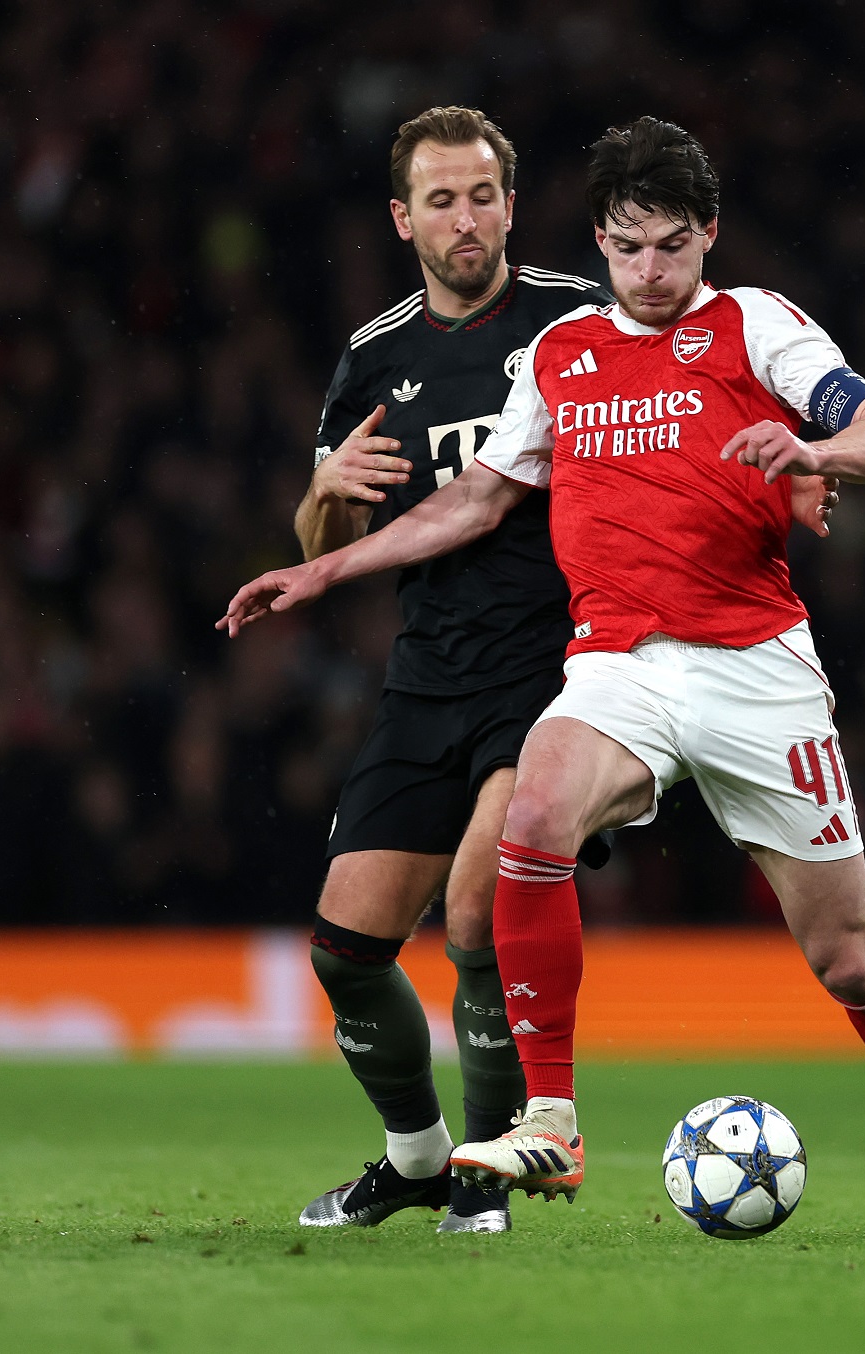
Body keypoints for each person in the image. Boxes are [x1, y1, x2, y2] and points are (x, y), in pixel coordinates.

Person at [220, 117, 865, 1240]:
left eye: (673, 248)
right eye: (630, 248)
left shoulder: (758, 322)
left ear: (708, 239)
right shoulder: (563, 352)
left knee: (847, 957)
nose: (650, 272)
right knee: (528, 820)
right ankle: (550, 1115)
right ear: (600, 239)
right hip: (613, 663)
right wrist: (323, 567)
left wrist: (813, 455)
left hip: (752, 667)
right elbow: (480, 496)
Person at [287, 106, 616, 1234]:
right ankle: (418, 1158)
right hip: (427, 674)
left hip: (562, 669)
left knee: (476, 917)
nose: (464, 218)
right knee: (344, 945)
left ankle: (485, 1179)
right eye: (441, 199)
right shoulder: (376, 355)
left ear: (511, 206)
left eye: (482, 196)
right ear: (402, 218)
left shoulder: (581, 320)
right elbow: (316, 538)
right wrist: (324, 494)